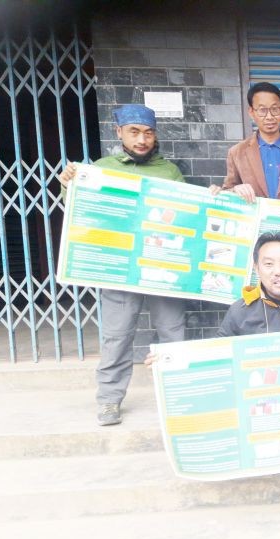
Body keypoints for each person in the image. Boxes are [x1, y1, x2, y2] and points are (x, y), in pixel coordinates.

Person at [58, 104, 186, 426]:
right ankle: (109, 400)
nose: (142, 140)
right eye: (134, 132)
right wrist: (68, 184)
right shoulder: (101, 168)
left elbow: (187, 216)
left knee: (172, 333)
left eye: (148, 133)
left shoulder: (169, 171)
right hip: (120, 270)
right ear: (119, 133)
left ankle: (178, 395)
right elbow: (80, 210)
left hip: (162, 269)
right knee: (117, 336)